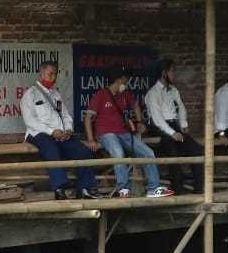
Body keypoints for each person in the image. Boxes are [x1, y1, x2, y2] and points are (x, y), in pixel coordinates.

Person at [84, 67, 172, 198]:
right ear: (119, 81)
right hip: (105, 133)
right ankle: (123, 189)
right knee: (118, 154)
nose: (126, 84)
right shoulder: (101, 95)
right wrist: (91, 139)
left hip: (123, 133)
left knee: (148, 152)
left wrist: (139, 121)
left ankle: (153, 189)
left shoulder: (125, 94)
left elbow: (136, 106)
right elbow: (88, 118)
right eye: (125, 81)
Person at [21, 61, 98, 200]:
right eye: (50, 74)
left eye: (55, 74)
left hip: (60, 134)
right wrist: (51, 132)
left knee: (83, 150)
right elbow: (30, 121)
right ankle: (59, 189)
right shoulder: (30, 94)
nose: (53, 77)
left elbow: (65, 115)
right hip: (39, 133)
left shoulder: (56, 95)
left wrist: (68, 129)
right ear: (41, 73)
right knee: (51, 149)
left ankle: (84, 189)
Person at [145, 59, 202, 193]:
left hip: (173, 126)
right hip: (159, 128)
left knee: (196, 150)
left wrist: (183, 124)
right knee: (172, 150)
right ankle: (177, 186)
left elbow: (181, 107)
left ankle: (199, 187)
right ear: (164, 73)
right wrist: (172, 133)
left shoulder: (173, 90)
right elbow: (157, 119)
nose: (174, 74)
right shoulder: (153, 93)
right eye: (172, 71)